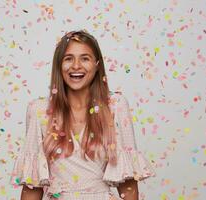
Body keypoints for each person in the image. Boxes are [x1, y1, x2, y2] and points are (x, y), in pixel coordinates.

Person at [10, 30, 156, 200]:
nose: (76, 66)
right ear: (59, 65)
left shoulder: (115, 106)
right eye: (68, 58)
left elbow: (128, 184)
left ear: (97, 65)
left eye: (85, 58)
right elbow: (32, 186)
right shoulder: (39, 110)